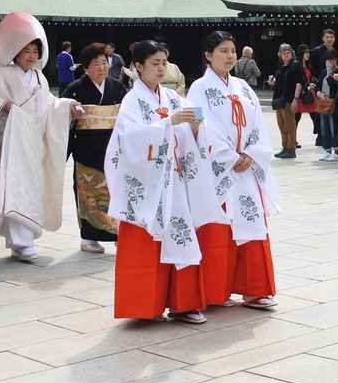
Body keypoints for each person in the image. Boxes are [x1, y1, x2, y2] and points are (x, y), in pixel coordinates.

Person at [106, 40, 227, 323]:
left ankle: (184, 304)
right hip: (149, 183)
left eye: (164, 63)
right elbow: (128, 140)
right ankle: (144, 306)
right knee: (147, 244)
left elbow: (196, 126)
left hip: (175, 180)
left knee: (182, 236)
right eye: (155, 64)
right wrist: (166, 124)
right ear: (138, 67)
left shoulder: (173, 98)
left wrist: (196, 127)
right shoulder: (132, 101)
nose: (161, 69)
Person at [189, 30, 280, 310]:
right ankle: (218, 290)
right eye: (223, 51)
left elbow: (257, 124)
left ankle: (254, 289)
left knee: (252, 227)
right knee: (220, 230)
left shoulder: (243, 87)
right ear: (208, 55)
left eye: (232, 50)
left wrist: (251, 154)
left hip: (246, 167)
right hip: (220, 169)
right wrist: (229, 156)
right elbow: (202, 125)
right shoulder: (199, 88)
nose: (229, 56)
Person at [0, 13, 84, 263]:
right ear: (14, 51)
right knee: (13, 186)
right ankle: (21, 240)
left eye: (34, 51)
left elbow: (49, 104)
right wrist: (2, 104)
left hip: (33, 140)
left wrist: (69, 105)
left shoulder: (40, 77)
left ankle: (20, 241)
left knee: (31, 187)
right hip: (10, 139)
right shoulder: (0, 74)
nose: (31, 56)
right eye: (26, 50)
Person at [63, 43, 126, 254]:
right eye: (96, 63)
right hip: (86, 149)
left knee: (115, 192)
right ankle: (89, 237)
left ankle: (118, 233)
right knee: (88, 194)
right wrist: (71, 112)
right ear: (86, 67)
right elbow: (61, 116)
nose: (102, 67)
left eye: (104, 63)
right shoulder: (75, 89)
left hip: (112, 148)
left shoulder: (117, 87)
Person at [270, 43, 303, 159]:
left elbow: (299, 83)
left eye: (288, 53)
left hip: (289, 100)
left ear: (292, 53)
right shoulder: (281, 66)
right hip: (279, 100)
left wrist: (296, 99)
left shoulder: (295, 65)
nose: (286, 55)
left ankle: (291, 149)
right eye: (283, 53)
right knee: (282, 126)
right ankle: (285, 147)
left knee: (290, 126)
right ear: (280, 54)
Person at [317, 52, 338, 161]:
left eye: (332, 60)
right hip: (323, 102)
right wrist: (319, 93)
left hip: (333, 103)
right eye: (328, 60)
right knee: (324, 128)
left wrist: (331, 74)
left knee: (333, 128)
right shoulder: (323, 72)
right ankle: (327, 150)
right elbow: (318, 85)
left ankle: (336, 152)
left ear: (336, 61)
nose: (329, 62)